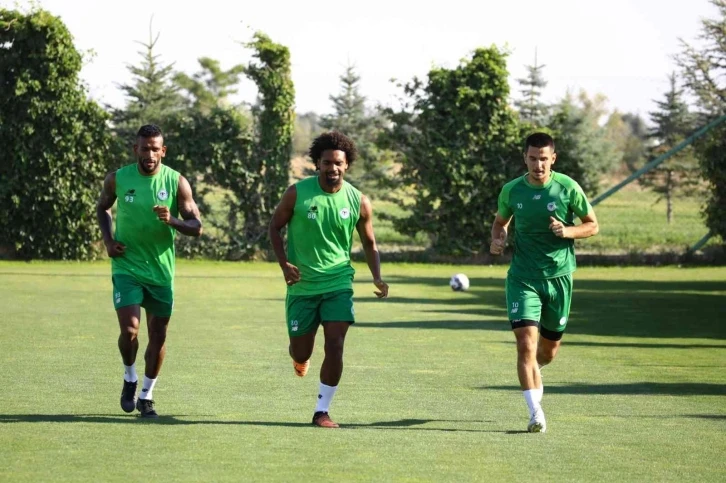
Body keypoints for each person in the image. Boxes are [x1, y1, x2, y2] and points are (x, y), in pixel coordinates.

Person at [269, 131, 389, 428]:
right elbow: (274, 228)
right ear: (317, 164)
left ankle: (321, 411)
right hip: (302, 286)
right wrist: (284, 264)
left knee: (335, 344)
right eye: (327, 163)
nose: (332, 168)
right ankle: (299, 358)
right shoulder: (297, 193)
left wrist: (377, 277)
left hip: (338, 283)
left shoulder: (358, 200)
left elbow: (370, 243)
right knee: (301, 349)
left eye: (338, 163)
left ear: (347, 165)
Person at [490, 132, 599, 433]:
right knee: (525, 345)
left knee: (547, 353)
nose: (538, 165)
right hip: (522, 278)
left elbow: (592, 225)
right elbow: (500, 222)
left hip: (559, 279)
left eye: (543, 159)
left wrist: (568, 231)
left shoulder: (567, 188)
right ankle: (535, 412)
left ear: (553, 159)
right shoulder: (512, 190)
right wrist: (498, 239)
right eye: (532, 158)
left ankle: (534, 371)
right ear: (524, 158)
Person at [96, 124, 202, 418]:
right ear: (136, 150)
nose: (150, 154)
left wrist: (173, 221)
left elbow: (196, 227)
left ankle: (146, 395)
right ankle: (129, 376)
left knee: (158, 336)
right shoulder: (118, 178)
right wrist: (108, 241)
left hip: (160, 272)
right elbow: (102, 208)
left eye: (155, 149)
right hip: (127, 266)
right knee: (130, 330)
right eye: (145, 148)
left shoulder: (176, 182)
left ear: (163, 151)